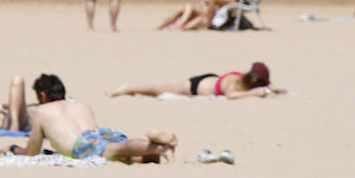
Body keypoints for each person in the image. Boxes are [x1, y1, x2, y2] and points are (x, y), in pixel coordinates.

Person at [6, 74, 175, 163]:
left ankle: (160, 148)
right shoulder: (81, 105)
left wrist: (14, 149)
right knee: (129, 154)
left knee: (118, 150)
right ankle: (154, 145)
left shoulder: (42, 111)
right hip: (99, 134)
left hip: (81, 145)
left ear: (42, 95)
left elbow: (32, 152)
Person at [109, 61, 284, 99]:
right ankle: (127, 88)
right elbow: (231, 95)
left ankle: (130, 89)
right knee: (159, 90)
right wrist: (254, 94)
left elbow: (267, 84)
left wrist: (275, 88)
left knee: (160, 89)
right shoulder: (235, 84)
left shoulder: (243, 77)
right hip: (194, 86)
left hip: (209, 79)